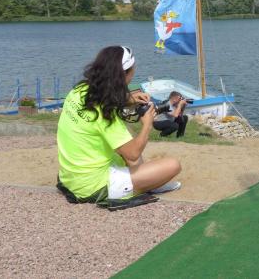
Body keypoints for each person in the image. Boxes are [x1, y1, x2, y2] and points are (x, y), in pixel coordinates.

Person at [56, 46, 182, 208]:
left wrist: (128, 98)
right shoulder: (106, 114)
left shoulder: (79, 91)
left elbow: (104, 94)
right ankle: (146, 185)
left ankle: (144, 180)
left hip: (70, 177)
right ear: (125, 75)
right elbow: (133, 155)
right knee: (172, 165)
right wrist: (147, 124)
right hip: (93, 187)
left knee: (124, 140)